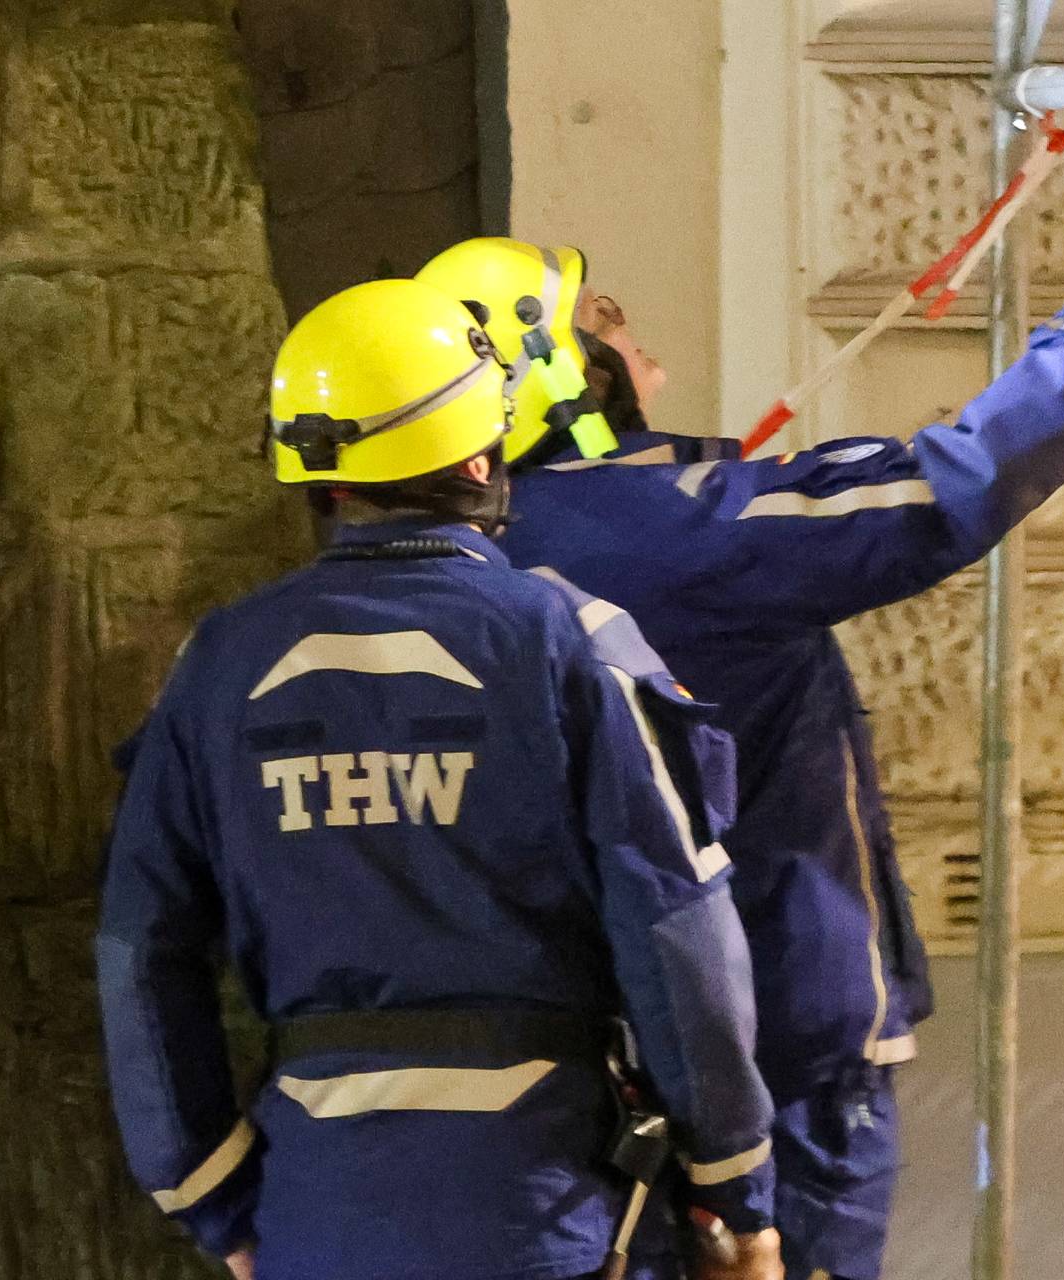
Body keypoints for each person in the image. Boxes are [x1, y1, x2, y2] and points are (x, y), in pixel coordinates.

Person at [417, 195, 1064, 1280]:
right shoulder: (679, 533)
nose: (626, 321)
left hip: (584, 1067)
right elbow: (945, 488)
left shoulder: (461, 567)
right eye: (599, 311)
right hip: (779, 1046)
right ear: (564, 374)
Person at [96, 278, 786, 1280]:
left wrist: (212, 1199)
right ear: (479, 453)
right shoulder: (572, 643)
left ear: (320, 474)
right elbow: (676, 930)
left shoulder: (216, 664)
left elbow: (137, 946)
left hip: (316, 1213)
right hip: (540, 1208)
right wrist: (731, 1189)